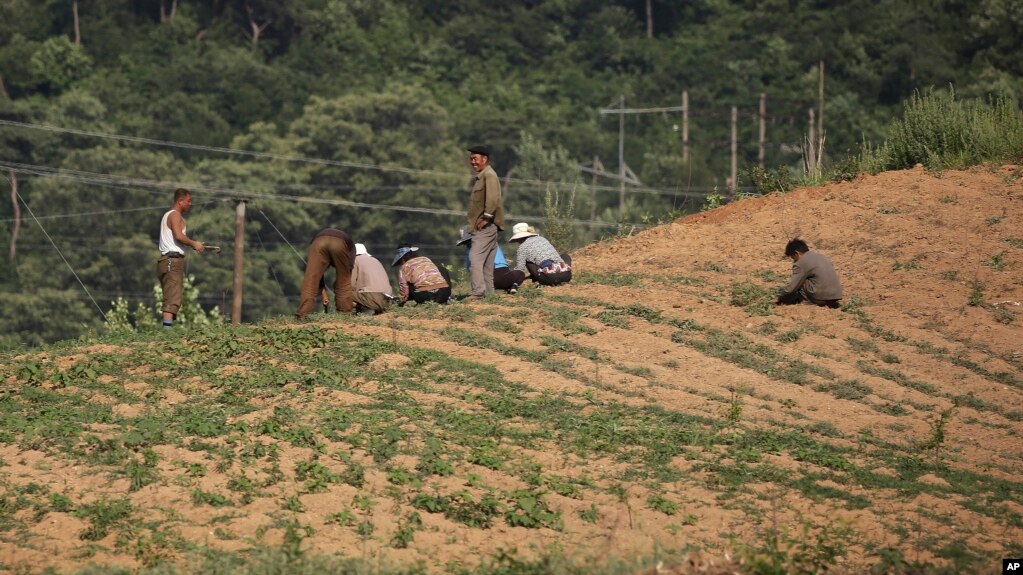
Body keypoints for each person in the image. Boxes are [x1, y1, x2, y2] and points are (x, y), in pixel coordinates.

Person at [156, 187, 207, 329]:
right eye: (188, 201)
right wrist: (193, 244)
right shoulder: (175, 215)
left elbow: (177, 239)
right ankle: (167, 332)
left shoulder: (169, 215)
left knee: (171, 294)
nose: (190, 204)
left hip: (167, 261)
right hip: (172, 261)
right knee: (172, 297)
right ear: (180, 201)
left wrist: (194, 245)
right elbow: (179, 236)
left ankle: (168, 328)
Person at [466, 145, 505, 298]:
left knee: (474, 258)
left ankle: (478, 292)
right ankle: (489, 294)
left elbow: (493, 198)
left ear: (485, 159)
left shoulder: (489, 175)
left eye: (475, 158)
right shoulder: (483, 175)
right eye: (471, 159)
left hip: (486, 226)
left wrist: (486, 217)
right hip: (489, 227)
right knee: (488, 263)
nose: (472, 162)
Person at [295, 228, 355, 319]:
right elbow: (347, 273)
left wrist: (323, 293)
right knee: (344, 280)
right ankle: (345, 315)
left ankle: (302, 315)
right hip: (339, 243)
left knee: (311, 279)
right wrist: (325, 294)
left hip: (319, 241)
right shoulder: (351, 248)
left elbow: (317, 275)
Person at [776, 238, 843, 308]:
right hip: (836, 295)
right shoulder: (821, 256)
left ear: (797, 253)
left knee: (800, 280)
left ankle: (807, 302)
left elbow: (791, 288)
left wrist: (779, 295)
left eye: (793, 258)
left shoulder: (801, 262)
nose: (794, 261)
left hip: (820, 297)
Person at [457, 229, 525, 294]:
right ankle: (514, 286)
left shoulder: (469, 252)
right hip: (502, 276)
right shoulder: (493, 245)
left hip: (484, 283)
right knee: (520, 273)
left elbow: (470, 269)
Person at [507, 222, 572, 286]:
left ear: (519, 238)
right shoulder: (542, 239)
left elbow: (520, 268)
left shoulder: (522, 247)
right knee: (565, 256)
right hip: (566, 276)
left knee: (528, 261)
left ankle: (537, 277)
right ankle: (561, 277)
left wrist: (509, 275)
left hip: (548, 278)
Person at [351, 243, 393, 315]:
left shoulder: (355, 261)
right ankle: (372, 309)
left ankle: (365, 309)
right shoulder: (375, 260)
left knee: (343, 294)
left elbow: (350, 284)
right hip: (387, 299)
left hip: (372, 298)